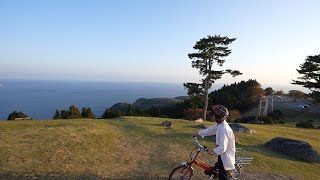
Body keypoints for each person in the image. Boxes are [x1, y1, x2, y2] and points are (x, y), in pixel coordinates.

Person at [192, 105, 235, 180]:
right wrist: (198, 133)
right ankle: (215, 174)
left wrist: (212, 151)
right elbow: (210, 130)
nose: (213, 116)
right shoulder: (220, 124)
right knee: (217, 168)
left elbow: (223, 147)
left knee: (223, 176)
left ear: (217, 117)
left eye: (214, 115)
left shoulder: (224, 129)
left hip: (225, 154)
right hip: (222, 153)